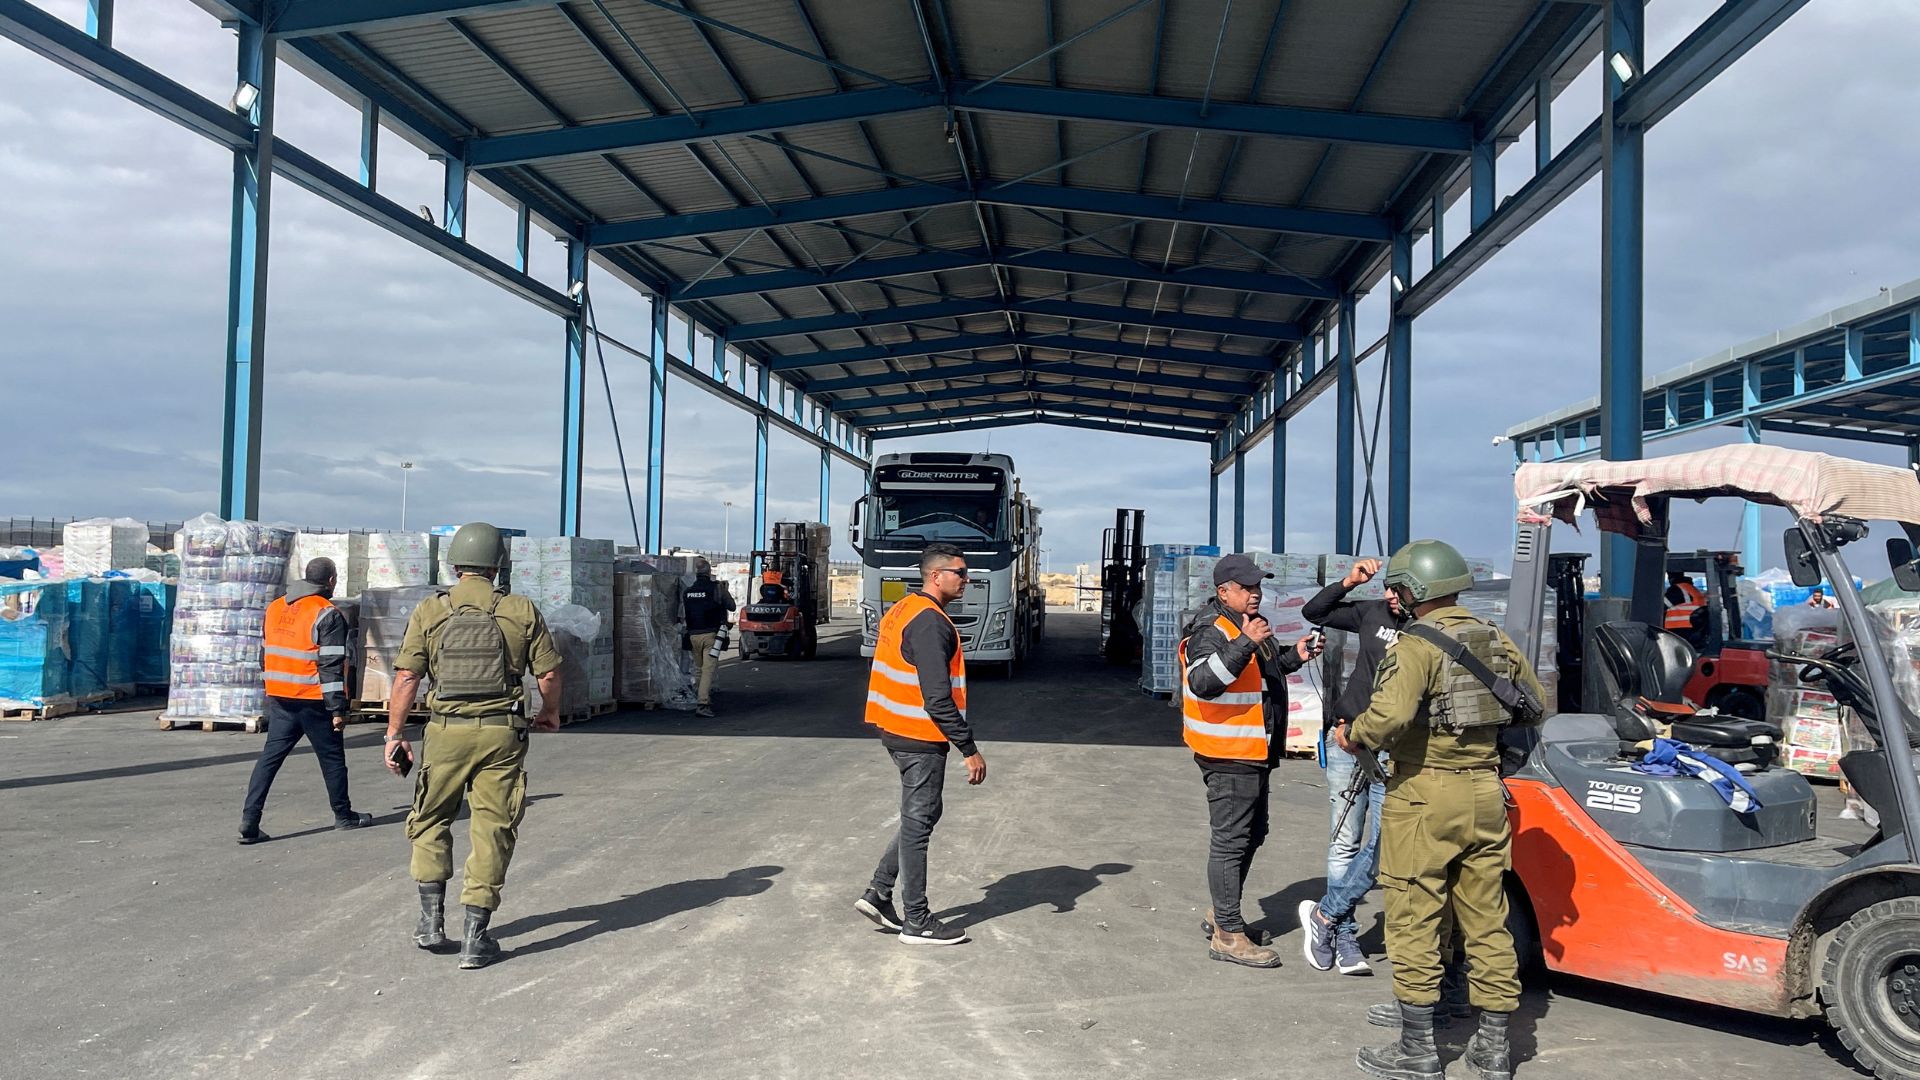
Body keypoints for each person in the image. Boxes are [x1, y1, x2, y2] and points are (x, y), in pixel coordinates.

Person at [1333, 539, 1545, 1080]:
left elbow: (1386, 720)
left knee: (1413, 916)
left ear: (1415, 590)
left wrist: (1351, 733)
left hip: (1424, 796)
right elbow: (1536, 703)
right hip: (1485, 794)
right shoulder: (1494, 639)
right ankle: (1493, 1049)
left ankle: (1417, 1050)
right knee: (1487, 919)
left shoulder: (1415, 645)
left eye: (1399, 588)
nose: (1395, 597)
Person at [383, 522, 564, 970]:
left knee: (429, 819)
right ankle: (475, 938)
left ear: (456, 562)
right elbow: (549, 675)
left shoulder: (431, 610)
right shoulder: (520, 609)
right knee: (493, 827)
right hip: (501, 734)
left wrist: (394, 734)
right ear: (498, 563)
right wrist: (548, 712)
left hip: (445, 732)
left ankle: (430, 923)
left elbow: (407, 677)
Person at [1181, 553, 1324, 968]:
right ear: (1224, 592)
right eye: (1247, 587)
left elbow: (1266, 668)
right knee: (1231, 840)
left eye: (1259, 586)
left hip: (1251, 751)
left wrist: (1296, 654)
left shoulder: (1244, 627)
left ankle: (1223, 912)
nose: (1256, 593)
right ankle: (1227, 933)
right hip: (1229, 754)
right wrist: (1246, 641)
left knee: (1253, 833)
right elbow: (1205, 682)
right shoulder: (1212, 630)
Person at [854, 541, 986, 947]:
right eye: (960, 573)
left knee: (923, 813)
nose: (967, 579)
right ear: (936, 575)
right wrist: (968, 748)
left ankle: (879, 891)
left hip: (895, 728)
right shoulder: (930, 623)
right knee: (919, 823)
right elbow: (937, 698)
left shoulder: (905, 609)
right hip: (918, 736)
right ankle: (917, 920)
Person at [1297, 556, 1408, 975]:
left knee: (1382, 846)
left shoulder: (1425, 629)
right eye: (1389, 587)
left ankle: (1325, 914)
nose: (1391, 595)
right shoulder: (1371, 612)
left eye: (1400, 589)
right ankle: (1344, 933)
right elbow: (1315, 612)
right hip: (1348, 741)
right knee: (1345, 841)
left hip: (1392, 751)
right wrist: (1348, 581)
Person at [238, 557, 372, 843]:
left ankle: (250, 820)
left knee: (269, 760)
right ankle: (343, 815)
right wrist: (338, 709)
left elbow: (266, 652)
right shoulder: (327, 613)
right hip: (314, 700)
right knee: (333, 758)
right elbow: (331, 666)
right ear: (331, 581)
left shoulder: (275, 607)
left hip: (281, 698)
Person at [684, 558, 736, 718]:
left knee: (699, 670)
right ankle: (703, 703)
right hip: (711, 637)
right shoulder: (716, 588)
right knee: (708, 670)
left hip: (693, 636)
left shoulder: (687, 592)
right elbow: (732, 606)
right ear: (708, 572)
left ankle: (699, 697)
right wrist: (723, 589)